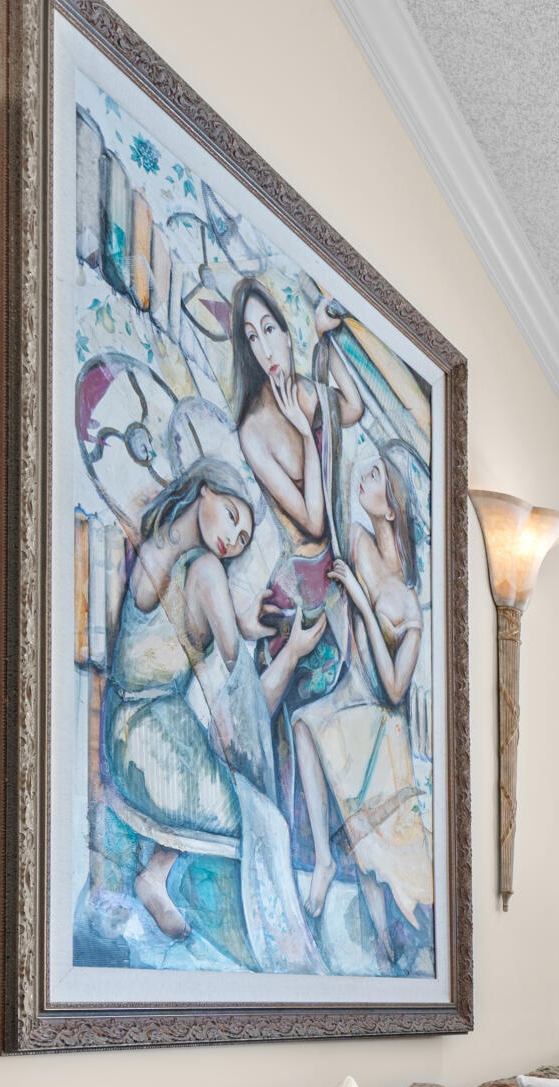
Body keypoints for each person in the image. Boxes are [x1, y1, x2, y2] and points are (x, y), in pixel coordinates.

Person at [291, 439, 436, 966]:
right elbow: (323, 523)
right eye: (367, 470)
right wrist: (312, 439)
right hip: (349, 694)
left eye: (375, 476)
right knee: (304, 723)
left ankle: (384, 945)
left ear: (392, 504)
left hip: (378, 716)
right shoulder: (354, 538)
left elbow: (396, 689)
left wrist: (361, 605)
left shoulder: (409, 603)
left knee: (373, 847)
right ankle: (326, 864)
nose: (364, 478)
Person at [101, 460, 260, 942]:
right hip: (148, 731)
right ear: (206, 491)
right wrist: (229, 724)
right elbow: (231, 661)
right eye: (234, 517)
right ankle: (157, 878)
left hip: (130, 722)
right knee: (244, 813)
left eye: (244, 539)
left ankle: (155, 875)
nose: (234, 539)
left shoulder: (166, 545)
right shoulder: (203, 566)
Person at [229, 276, 364, 838]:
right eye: (252, 339)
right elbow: (310, 520)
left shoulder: (307, 390)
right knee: (300, 723)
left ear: (284, 334)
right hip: (302, 589)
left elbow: (352, 406)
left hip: (334, 572)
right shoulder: (254, 431)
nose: (265, 348)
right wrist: (305, 434)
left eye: (271, 331)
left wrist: (323, 342)